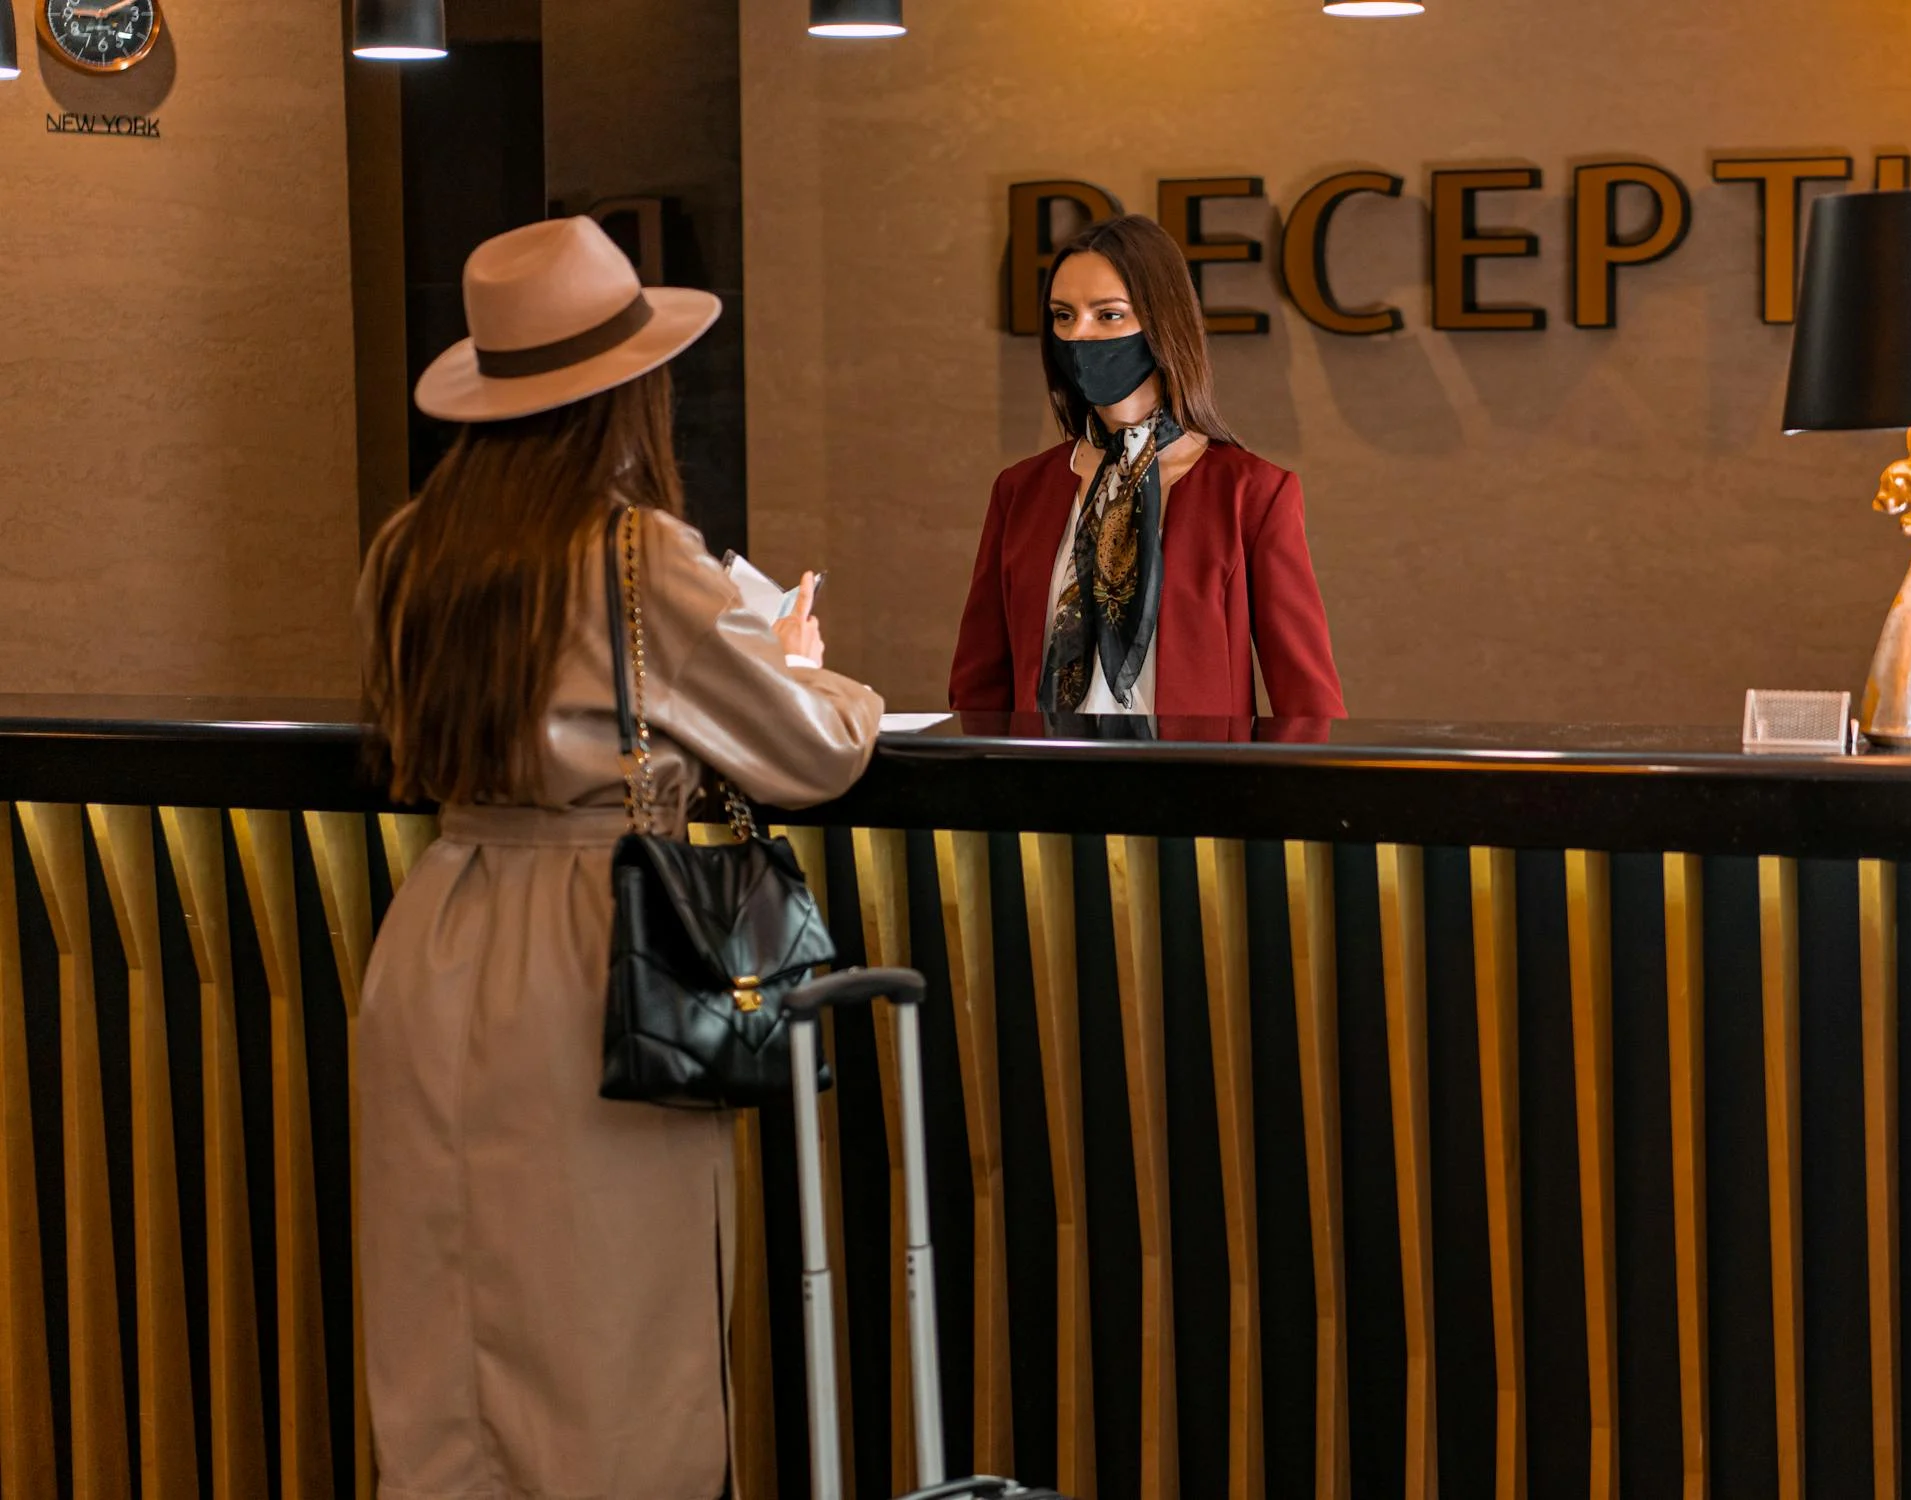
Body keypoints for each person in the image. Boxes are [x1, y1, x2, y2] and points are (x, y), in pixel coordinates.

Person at [355, 216, 883, 1500]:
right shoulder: (642, 555)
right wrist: (811, 673)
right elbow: (817, 754)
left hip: (432, 937)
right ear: (627, 396)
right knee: (607, 1342)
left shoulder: (409, 547)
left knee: (444, 1328)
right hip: (597, 949)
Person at [948, 213, 1346, 718]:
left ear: (1161, 322)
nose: (1079, 335)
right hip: (1041, 785)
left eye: (1109, 315)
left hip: (1189, 789)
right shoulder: (1021, 490)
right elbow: (979, 685)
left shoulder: (1252, 494)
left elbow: (1307, 701)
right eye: (1063, 315)